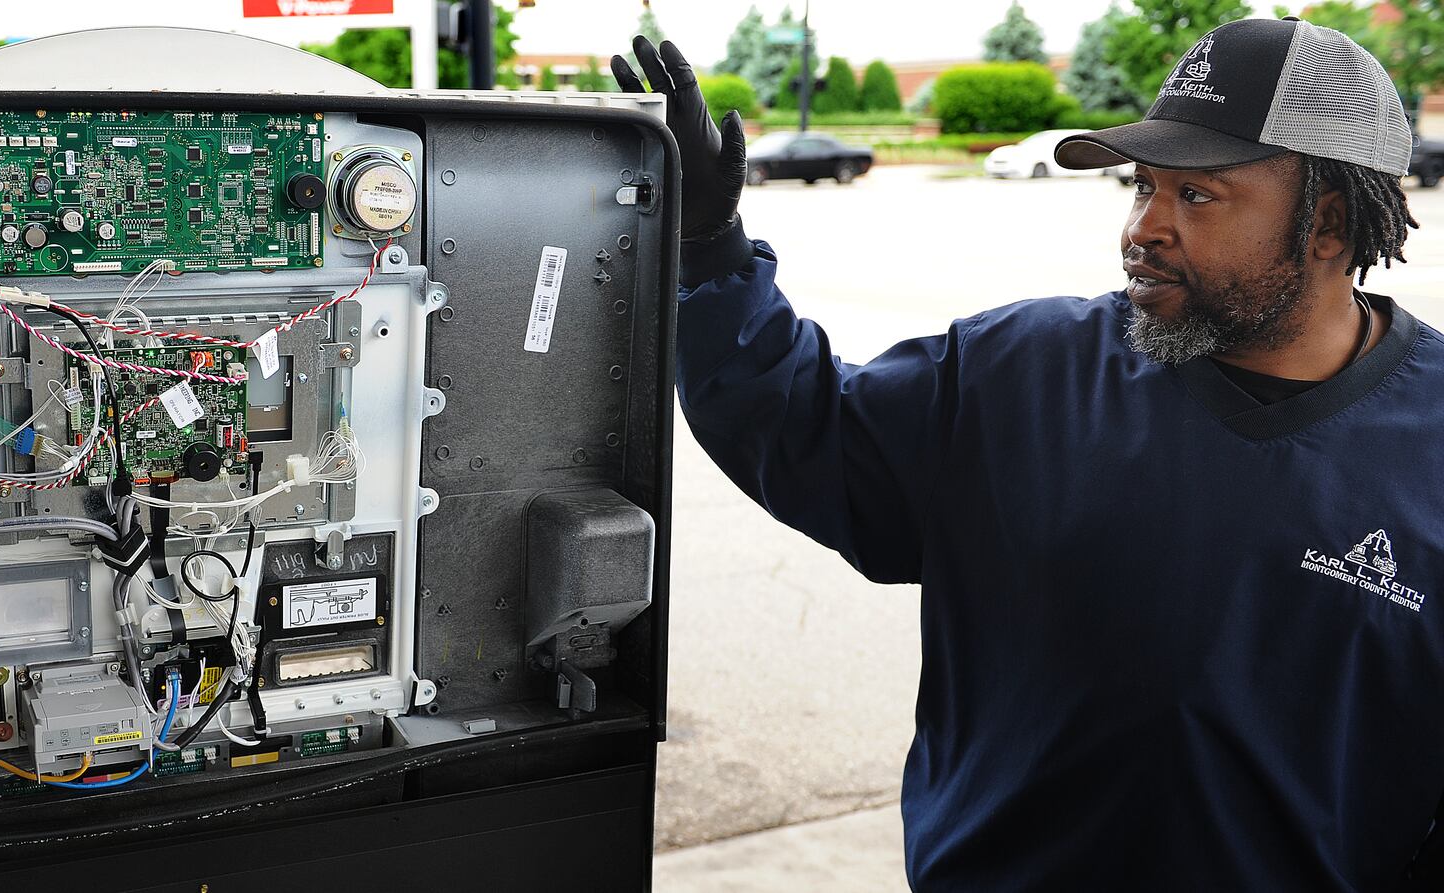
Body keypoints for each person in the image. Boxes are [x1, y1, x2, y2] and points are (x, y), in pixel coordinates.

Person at [614, 17, 1441, 891]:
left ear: (1330, 226)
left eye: (1196, 196)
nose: (1144, 227)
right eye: (1141, 185)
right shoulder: (1018, 372)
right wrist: (711, 246)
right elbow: (798, 424)